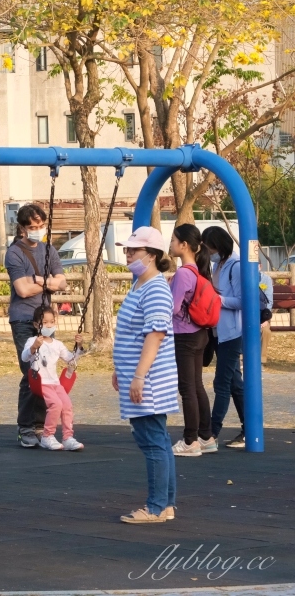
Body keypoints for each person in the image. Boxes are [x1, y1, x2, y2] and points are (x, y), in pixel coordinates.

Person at [112, 227, 178, 524]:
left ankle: (155, 506)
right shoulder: (141, 284)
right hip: (139, 374)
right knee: (159, 440)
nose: (128, 254)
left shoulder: (154, 288)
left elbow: (155, 334)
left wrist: (138, 376)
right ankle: (165, 504)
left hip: (149, 379)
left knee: (152, 441)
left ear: (152, 255)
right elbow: (132, 334)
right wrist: (122, 371)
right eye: (127, 249)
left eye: (133, 250)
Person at [5, 204, 68, 448]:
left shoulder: (49, 249)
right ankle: (26, 426)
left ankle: (43, 425)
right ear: (21, 228)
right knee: (31, 371)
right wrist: (47, 281)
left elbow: (62, 282)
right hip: (23, 318)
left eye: (40, 226)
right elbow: (22, 290)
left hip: (46, 320)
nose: (37, 231)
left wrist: (40, 281)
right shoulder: (14, 253)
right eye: (32, 227)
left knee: (48, 369)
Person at [168, 224, 215, 457]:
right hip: (200, 333)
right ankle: (205, 436)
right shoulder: (197, 271)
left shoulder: (183, 273)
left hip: (184, 335)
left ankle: (190, 441)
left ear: (184, 245)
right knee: (196, 386)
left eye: (173, 240)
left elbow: (174, 308)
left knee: (187, 388)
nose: (171, 244)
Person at [201, 226, 246, 449]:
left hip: (232, 332)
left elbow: (241, 300)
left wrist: (218, 299)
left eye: (211, 249)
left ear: (220, 246)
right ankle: (248, 428)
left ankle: (211, 433)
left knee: (222, 383)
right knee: (235, 383)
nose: (210, 253)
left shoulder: (235, 266)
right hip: (218, 331)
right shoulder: (217, 264)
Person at [20, 305, 84, 451]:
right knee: (56, 405)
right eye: (45, 322)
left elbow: (71, 360)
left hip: (55, 383)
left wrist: (79, 346)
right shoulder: (32, 341)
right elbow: (24, 358)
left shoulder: (58, 344)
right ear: (37, 325)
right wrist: (34, 347)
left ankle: (68, 437)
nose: (49, 325)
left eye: (51, 322)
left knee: (67, 405)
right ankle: (47, 436)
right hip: (41, 383)